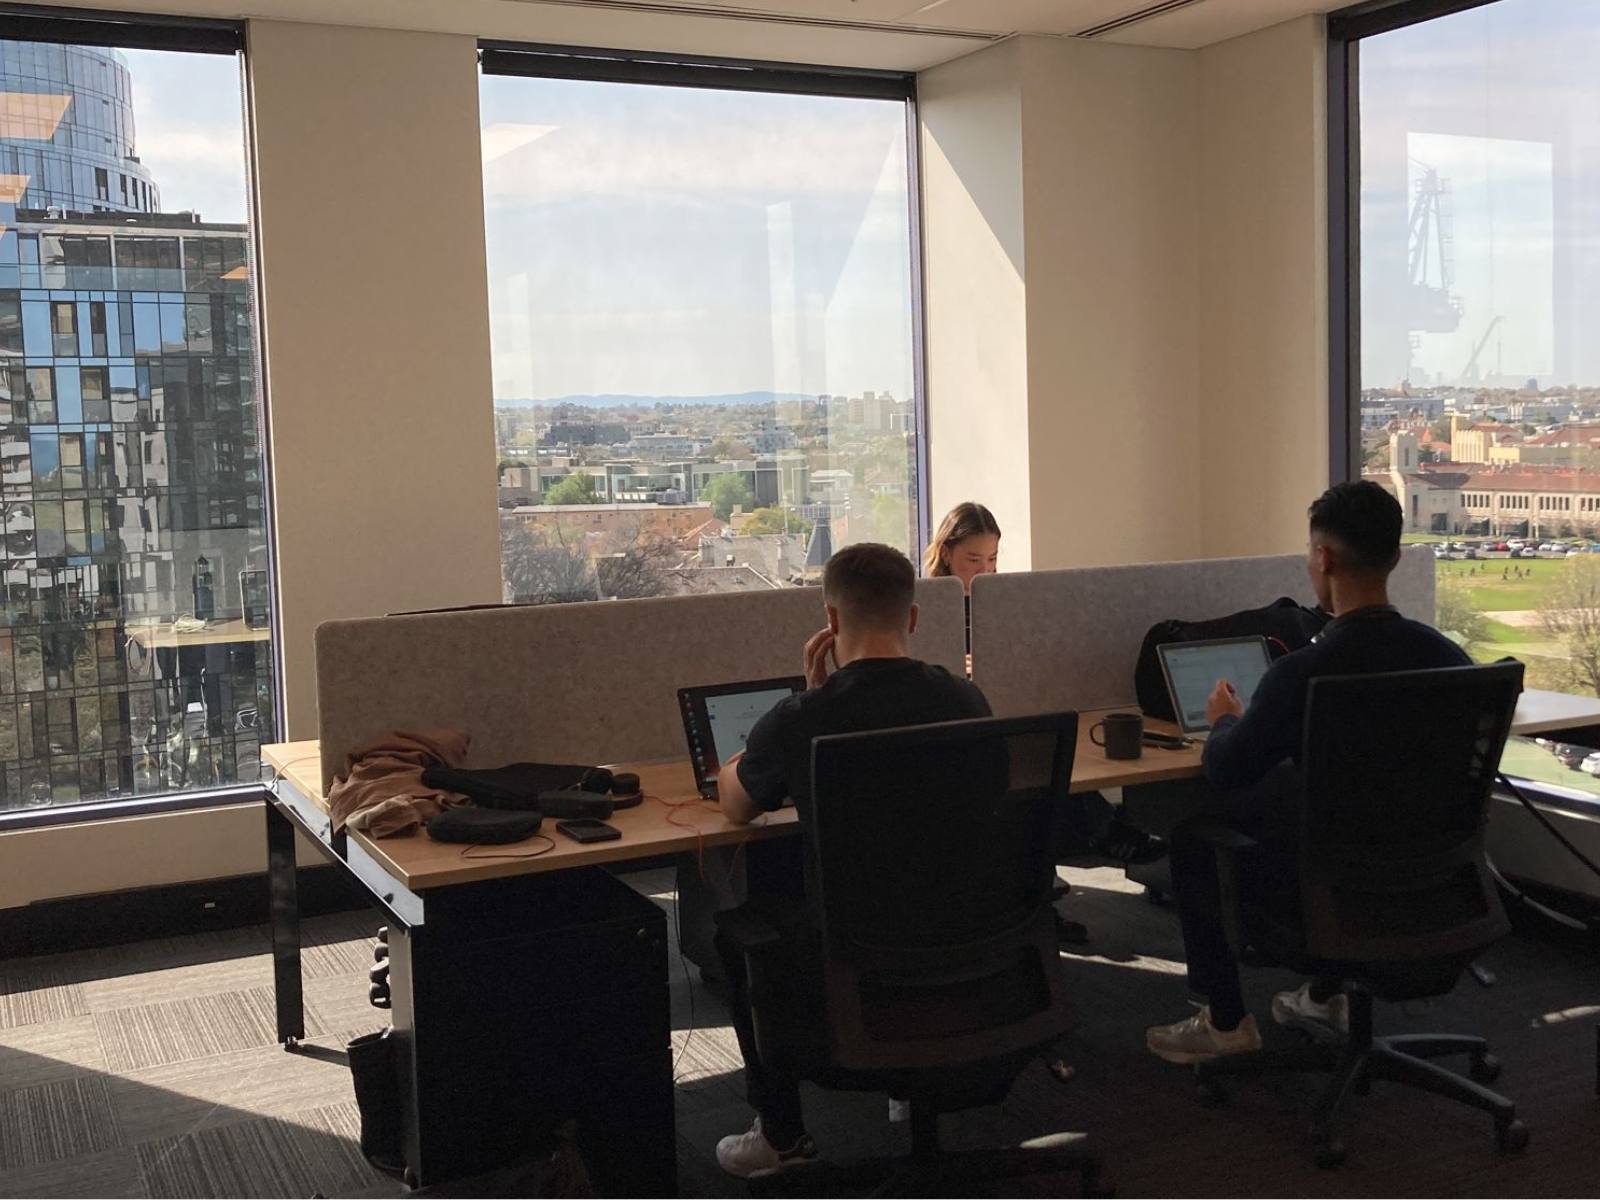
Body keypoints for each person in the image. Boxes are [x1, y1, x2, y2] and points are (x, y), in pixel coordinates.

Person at [1146, 481, 1471, 1065]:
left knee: (1195, 833)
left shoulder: (1304, 671)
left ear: (1321, 559)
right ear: (1395, 557)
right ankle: (1324, 996)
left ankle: (1225, 1022)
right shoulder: (1450, 660)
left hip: (1323, 896)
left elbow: (1226, 768)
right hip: (1435, 887)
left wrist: (1224, 721)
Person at [711, 543, 991, 1178]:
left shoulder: (804, 716)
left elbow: (736, 808)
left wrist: (762, 741)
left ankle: (779, 1134)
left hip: (855, 952)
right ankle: (914, 1079)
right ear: (914, 619)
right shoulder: (966, 700)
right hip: (969, 941)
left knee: (738, 931)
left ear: (831, 624)